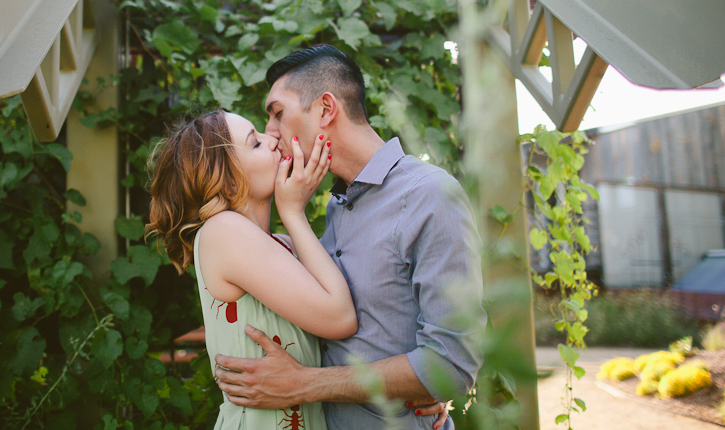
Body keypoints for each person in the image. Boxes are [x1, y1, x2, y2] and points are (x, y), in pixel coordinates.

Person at [212, 45, 486, 430]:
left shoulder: (430, 195)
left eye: (277, 114)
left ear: (325, 109)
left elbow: (452, 365)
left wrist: (304, 385)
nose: (271, 133)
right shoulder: (336, 206)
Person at [148, 108, 356, 429]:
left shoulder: (285, 243)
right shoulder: (222, 231)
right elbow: (340, 317)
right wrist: (294, 212)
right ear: (229, 182)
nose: (271, 138)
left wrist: (415, 392)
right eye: (255, 143)